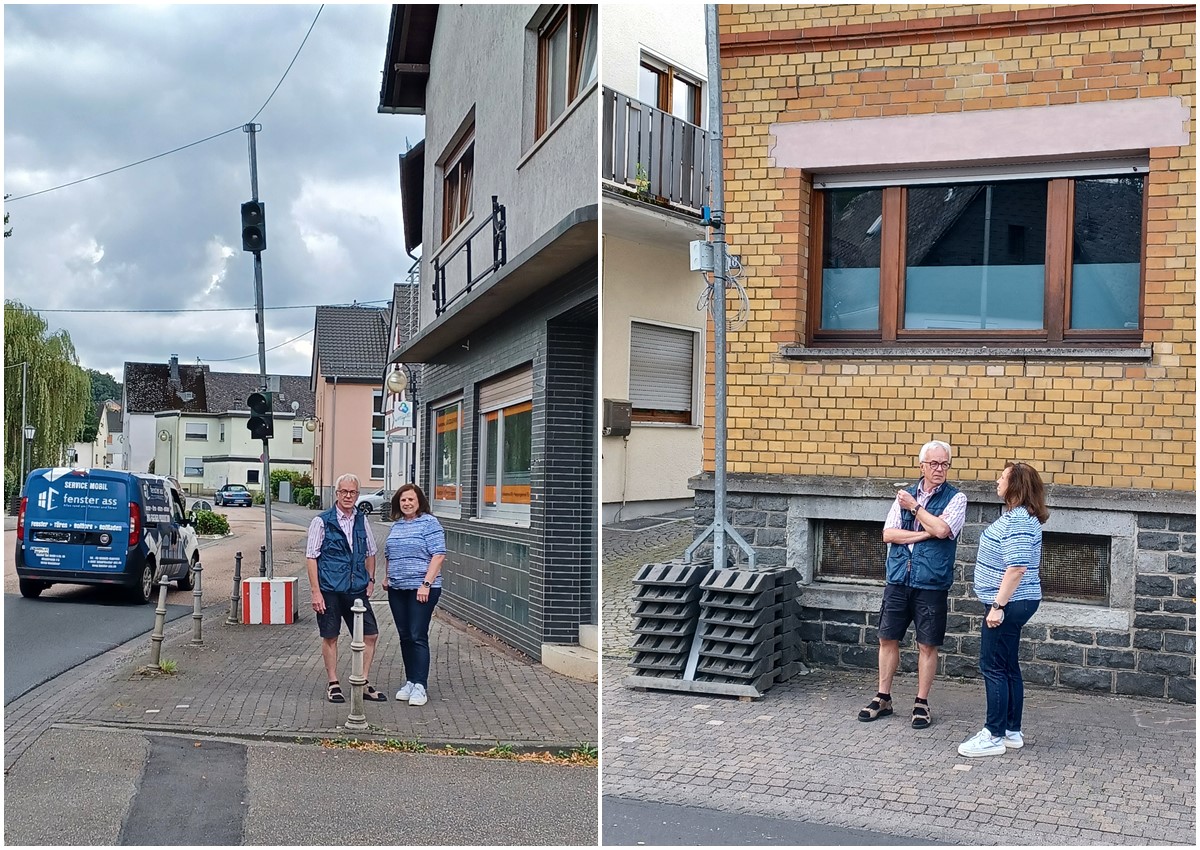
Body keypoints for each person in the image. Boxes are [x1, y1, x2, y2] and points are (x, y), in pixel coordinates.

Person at [859, 440, 968, 729]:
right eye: (933, 463)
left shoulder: (956, 499)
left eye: (944, 464)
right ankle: (883, 697)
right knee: (887, 637)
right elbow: (888, 534)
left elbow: (944, 529)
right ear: (921, 465)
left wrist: (916, 509)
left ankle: (921, 703)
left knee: (927, 644)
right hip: (898, 577)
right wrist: (924, 533)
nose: (939, 469)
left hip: (931, 581)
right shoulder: (902, 496)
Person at [958, 461, 1049, 758]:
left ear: (1016, 486)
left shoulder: (1019, 520)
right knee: (1007, 665)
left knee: (993, 666)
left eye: (1003, 477)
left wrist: (997, 606)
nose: (997, 481)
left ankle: (993, 735)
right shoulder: (1018, 516)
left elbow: (1017, 567)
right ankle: (1011, 731)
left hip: (1010, 603)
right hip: (1014, 602)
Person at [305, 473, 387, 703]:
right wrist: (315, 592)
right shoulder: (322, 521)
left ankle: (361, 681)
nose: (348, 496)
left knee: (370, 634)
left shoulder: (362, 520)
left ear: (357, 495)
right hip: (329, 589)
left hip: (356, 590)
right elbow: (311, 557)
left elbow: (371, 552)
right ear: (337, 493)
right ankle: (333, 683)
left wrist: (370, 580)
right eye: (344, 492)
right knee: (330, 635)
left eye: (353, 492)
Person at [383, 483, 446, 707]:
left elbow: (438, 555)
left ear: (419, 501)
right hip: (397, 588)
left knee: (418, 634)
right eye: (403, 500)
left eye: (411, 499)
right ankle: (410, 681)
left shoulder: (430, 523)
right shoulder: (397, 525)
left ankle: (420, 685)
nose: (407, 503)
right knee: (404, 635)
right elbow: (389, 553)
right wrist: (387, 576)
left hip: (422, 589)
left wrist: (426, 584)